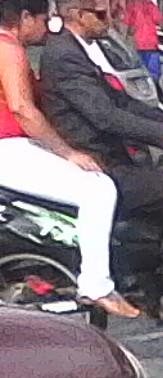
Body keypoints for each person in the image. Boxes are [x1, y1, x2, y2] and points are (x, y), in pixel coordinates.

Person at [39, 0, 163, 323]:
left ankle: (159, 279)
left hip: (114, 156)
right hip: (101, 163)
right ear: (76, 15)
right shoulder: (64, 55)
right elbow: (106, 117)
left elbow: (123, 103)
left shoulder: (83, 49)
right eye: (100, 14)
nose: (108, 19)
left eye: (109, 11)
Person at [0, 0, 139, 316]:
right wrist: (68, 152)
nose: (47, 25)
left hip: (13, 148)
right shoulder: (9, 50)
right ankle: (97, 285)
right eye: (42, 18)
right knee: (98, 189)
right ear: (24, 18)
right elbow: (23, 109)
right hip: (9, 149)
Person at [123, 0, 161, 80]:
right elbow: (158, 19)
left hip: (138, 42)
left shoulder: (132, 6)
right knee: (153, 70)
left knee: (140, 68)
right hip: (151, 41)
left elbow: (128, 23)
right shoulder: (151, 5)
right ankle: (154, 83)